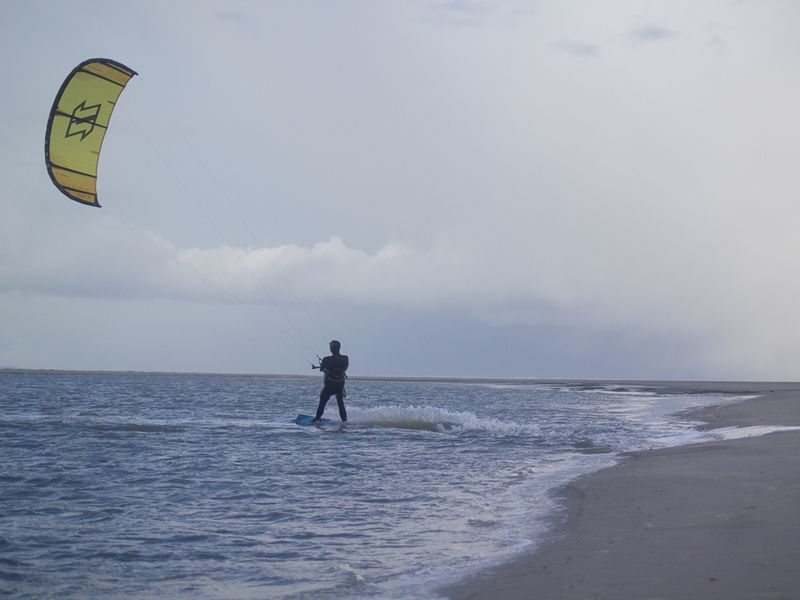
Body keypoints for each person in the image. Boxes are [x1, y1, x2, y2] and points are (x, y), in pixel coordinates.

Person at [312, 340, 349, 423]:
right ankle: (344, 422)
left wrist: (324, 366)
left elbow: (321, 369)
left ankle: (316, 419)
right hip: (340, 385)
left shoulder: (326, 359)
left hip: (329, 386)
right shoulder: (345, 358)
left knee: (322, 403)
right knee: (341, 404)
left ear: (331, 349)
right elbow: (345, 368)